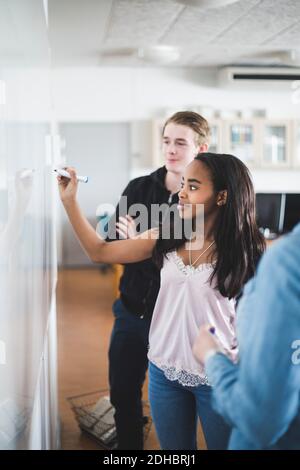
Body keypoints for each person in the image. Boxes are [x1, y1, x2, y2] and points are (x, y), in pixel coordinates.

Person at [57, 152, 265, 449]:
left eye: (193, 186)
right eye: (183, 183)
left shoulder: (247, 252)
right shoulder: (168, 235)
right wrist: (69, 201)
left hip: (218, 378)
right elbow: (99, 252)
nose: (181, 193)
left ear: (222, 197)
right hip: (163, 373)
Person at [105, 111, 210, 449]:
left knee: (181, 398)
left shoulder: (203, 197)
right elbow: (111, 246)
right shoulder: (138, 188)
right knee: (122, 392)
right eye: (167, 141)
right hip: (132, 311)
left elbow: (194, 258)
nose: (171, 150)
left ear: (201, 148)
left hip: (179, 321)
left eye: (181, 142)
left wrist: (141, 242)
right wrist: (135, 244)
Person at [193, 222, 300, 450]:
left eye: (192, 186)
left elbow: (260, 418)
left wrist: (212, 357)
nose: (181, 195)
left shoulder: (288, 260)